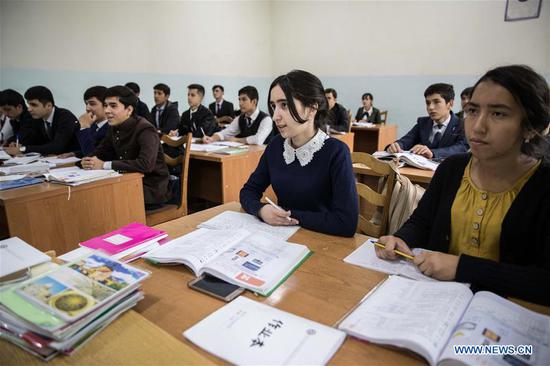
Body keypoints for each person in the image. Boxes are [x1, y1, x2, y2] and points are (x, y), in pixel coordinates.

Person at [376, 65, 550, 305]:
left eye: (498, 114)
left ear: (533, 127)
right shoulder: (452, 169)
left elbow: (544, 281)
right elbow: (422, 222)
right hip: (435, 301)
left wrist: (463, 268)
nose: (477, 126)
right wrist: (402, 238)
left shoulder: (543, 184)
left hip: (507, 318)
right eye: (472, 110)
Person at [240, 70, 358, 237]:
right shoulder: (275, 146)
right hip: (283, 239)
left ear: (311, 109)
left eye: (285, 105)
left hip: (324, 242)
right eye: (273, 106)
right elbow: (248, 191)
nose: (275, 116)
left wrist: (287, 216)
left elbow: (346, 223)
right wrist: (261, 210)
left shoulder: (337, 152)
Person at [81, 85, 170, 208]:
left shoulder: (145, 129)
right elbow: (98, 153)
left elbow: (146, 164)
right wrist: (87, 161)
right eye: (106, 105)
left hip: (150, 190)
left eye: (113, 106)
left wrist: (104, 165)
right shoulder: (114, 128)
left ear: (129, 110)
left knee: (102, 200)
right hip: (127, 182)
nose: (107, 110)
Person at [386, 83, 468, 159]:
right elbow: (407, 140)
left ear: (450, 104)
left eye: (436, 102)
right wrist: (397, 145)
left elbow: (461, 148)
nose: (431, 107)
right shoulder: (423, 123)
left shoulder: (462, 124)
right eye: (428, 103)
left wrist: (433, 153)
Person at [5, 86, 79, 156]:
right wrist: (19, 145)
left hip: (73, 161)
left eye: (34, 105)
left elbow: (57, 146)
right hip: (52, 160)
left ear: (49, 106)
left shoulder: (65, 117)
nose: (29, 109)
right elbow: (35, 142)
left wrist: (23, 149)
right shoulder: (37, 119)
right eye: (29, 104)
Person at [203, 86, 272, 145]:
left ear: (254, 101)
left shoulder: (266, 119)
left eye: (244, 99)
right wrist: (212, 138)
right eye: (239, 100)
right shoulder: (240, 118)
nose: (240, 103)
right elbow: (226, 132)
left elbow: (258, 140)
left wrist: (237, 140)